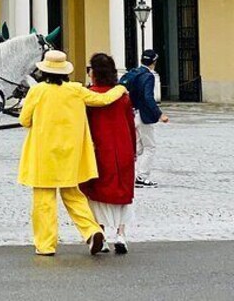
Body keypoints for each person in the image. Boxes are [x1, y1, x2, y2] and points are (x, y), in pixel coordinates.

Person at [18, 50, 128, 256]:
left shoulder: (37, 91)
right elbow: (103, 100)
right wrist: (121, 88)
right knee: (74, 196)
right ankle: (92, 231)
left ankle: (45, 245)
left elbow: (24, 120)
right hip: (70, 154)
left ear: (44, 71)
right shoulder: (76, 90)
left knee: (44, 202)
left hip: (43, 155)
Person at [80, 53, 136, 255]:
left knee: (96, 194)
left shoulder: (89, 97)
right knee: (123, 193)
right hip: (123, 149)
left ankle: (100, 235)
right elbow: (131, 125)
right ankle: (121, 235)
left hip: (98, 150)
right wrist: (133, 151)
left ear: (93, 73)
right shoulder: (122, 96)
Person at [120, 49, 170, 188]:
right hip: (143, 115)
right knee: (150, 147)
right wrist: (159, 114)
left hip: (132, 113)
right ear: (154, 62)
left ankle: (125, 173)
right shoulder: (148, 76)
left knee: (136, 147)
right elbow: (148, 97)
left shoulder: (133, 73)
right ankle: (141, 177)